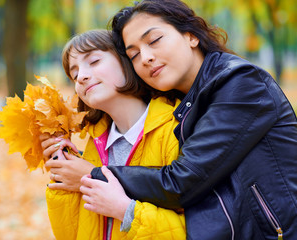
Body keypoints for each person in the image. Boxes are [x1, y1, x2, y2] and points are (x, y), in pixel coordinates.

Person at [80, 0, 297, 239]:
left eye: (154, 41)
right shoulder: (181, 103)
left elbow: (182, 182)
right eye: (134, 54)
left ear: (191, 36)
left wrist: (93, 173)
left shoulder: (241, 83)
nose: (146, 58)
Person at [41, 29, 186, 240]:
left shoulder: (174, 130)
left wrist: (124, 210)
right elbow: (73, 233)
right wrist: (61, 170)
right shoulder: (95, 144)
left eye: (94, 61)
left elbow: (199, 229)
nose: (81, 76)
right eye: (74, 74)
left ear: (127, 60)